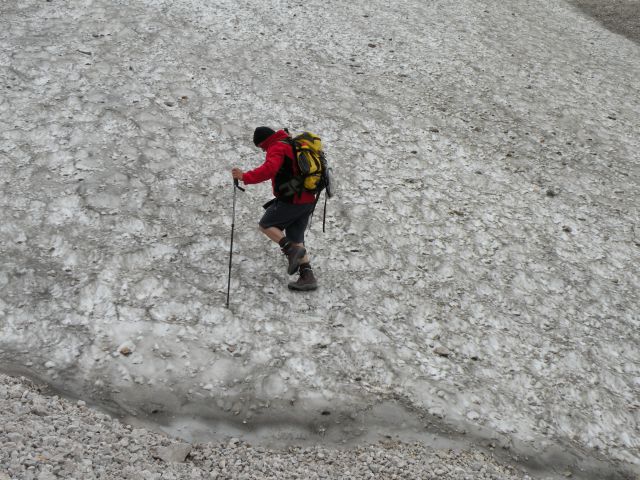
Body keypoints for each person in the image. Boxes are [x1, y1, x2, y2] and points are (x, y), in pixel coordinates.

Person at [231, 127, 318, 291]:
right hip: (307, 199)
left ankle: (291, 251)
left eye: (261, 147)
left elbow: (269, 169)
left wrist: (245, 177)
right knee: (296, 237)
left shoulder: (277, 146)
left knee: (266, 224)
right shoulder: (290, 142)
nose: (263, 150)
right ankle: (307, 276)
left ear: (264, 142)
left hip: (293, 199)